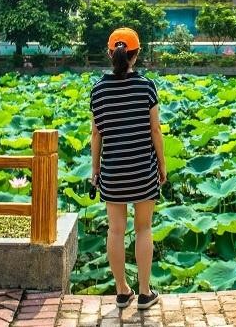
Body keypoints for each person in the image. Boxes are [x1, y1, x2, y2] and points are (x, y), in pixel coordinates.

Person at [89, 27, 167, 311]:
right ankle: (145, 293)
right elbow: (155, 130)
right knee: (144, 228)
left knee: (116, 230)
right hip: (142, 170)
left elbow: (96, 135)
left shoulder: (98, 90)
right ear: (137, 54)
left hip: (112, 172)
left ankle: (122, 291)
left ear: (111, 53)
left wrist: (95, 172)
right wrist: (162, 165)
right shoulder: (146, 86)